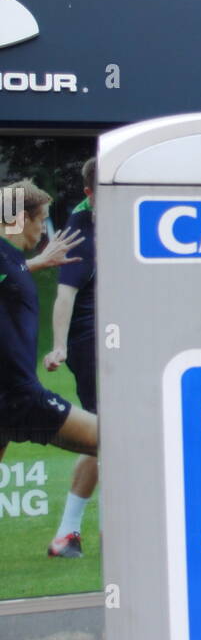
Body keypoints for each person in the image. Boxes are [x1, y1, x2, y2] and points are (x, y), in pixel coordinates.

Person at [0, 181, 97, 481]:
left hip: (8, 398)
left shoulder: (11, 259)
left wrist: (37, 263)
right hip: (20, 395)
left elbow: (9, 278)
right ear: (19, 218)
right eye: (41, 220)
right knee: (118, 442)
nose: (44, 229)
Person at [43, 159, 98, 557]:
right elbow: (65, 296)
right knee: (112, 436)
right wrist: (60, 346)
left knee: (110, 436)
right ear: (89, 193)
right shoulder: (80, 233)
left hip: (126, 335)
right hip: (92, 342)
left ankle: (67, 535)